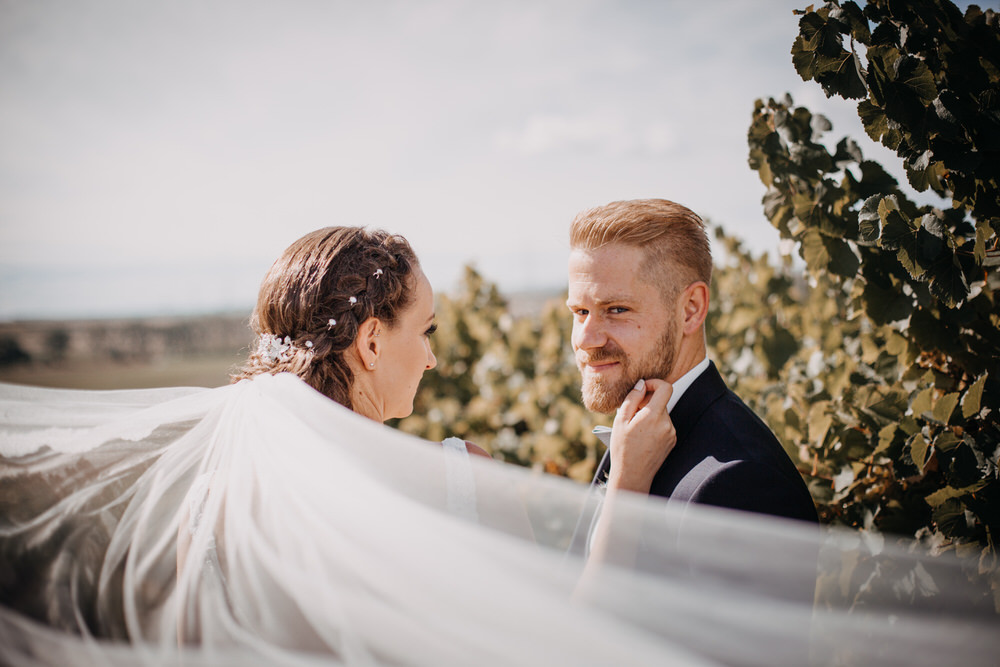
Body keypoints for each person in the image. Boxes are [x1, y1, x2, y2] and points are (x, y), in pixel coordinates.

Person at [0, 225, 995, 666]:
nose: (436, 358)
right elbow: (563, 641)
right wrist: (628, 482)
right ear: (371, 338)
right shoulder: (387, 494)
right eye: (427, 330)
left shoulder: (234, 478)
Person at [566, 199, 817, 558]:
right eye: (580, 311)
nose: (586, 340)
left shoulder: (740, 484)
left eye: (616, 310)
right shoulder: (633, 436)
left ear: (691, 309)